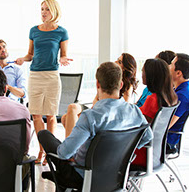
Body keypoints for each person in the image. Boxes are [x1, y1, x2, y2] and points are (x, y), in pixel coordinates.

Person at [37, 62, 153, 190]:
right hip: (117, 174)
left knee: (44, 134)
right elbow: (148, 137)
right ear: (120, 85)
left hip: (84, 175)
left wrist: (72, 155)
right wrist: (124, 153)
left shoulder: (90, 117)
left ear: (97, 84)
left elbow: (64, 154)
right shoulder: (134, 111)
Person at [15, 0, 72, 165]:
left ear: (54, 11)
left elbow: (63, 54)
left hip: (52, 76)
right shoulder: (34, 31)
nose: (43, 12)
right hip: (35, 76)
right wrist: (22, 59)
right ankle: (41, 150)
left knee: (51, 115)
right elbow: (30, 55)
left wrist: (63, 59)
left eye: (47, 9)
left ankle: (50, 152)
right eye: (41, 9)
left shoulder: (62, 32)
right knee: (36, 115)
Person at [61, 53, 138, 138]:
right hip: (96, 107)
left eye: (119, 62)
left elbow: (124, 105)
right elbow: (96, 99)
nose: (115, 61)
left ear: (125, 68)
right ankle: (75, 145)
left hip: (105, 112)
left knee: (66, 118)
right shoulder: (110, 77)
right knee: (70, 110)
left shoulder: (128, 86)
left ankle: (72, 146)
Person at [132, 58, 178, 167]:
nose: (141, 74)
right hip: (155, 153)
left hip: (141, 154)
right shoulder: (171, 97)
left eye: (143, 71)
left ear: (151, 76)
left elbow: (138, 127)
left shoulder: (152, 100)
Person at [167, 53, 189, 153]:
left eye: (171, 64)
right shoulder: (178, 90)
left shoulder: (182, 96)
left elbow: (167, 125)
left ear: (178, 73)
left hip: (167, 141)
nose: (168, 67)